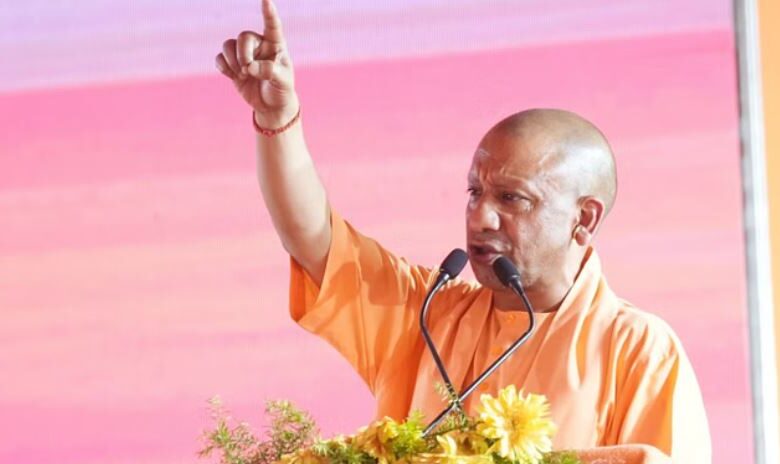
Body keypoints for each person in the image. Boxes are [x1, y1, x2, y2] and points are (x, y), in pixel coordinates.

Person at [215, 1, 712, 462]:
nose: (481, 218)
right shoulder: (428, 313)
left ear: (584, 220)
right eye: (475, 192)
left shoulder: (637, 349)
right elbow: (311, 238)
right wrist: (277, 120)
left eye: (511, 198)